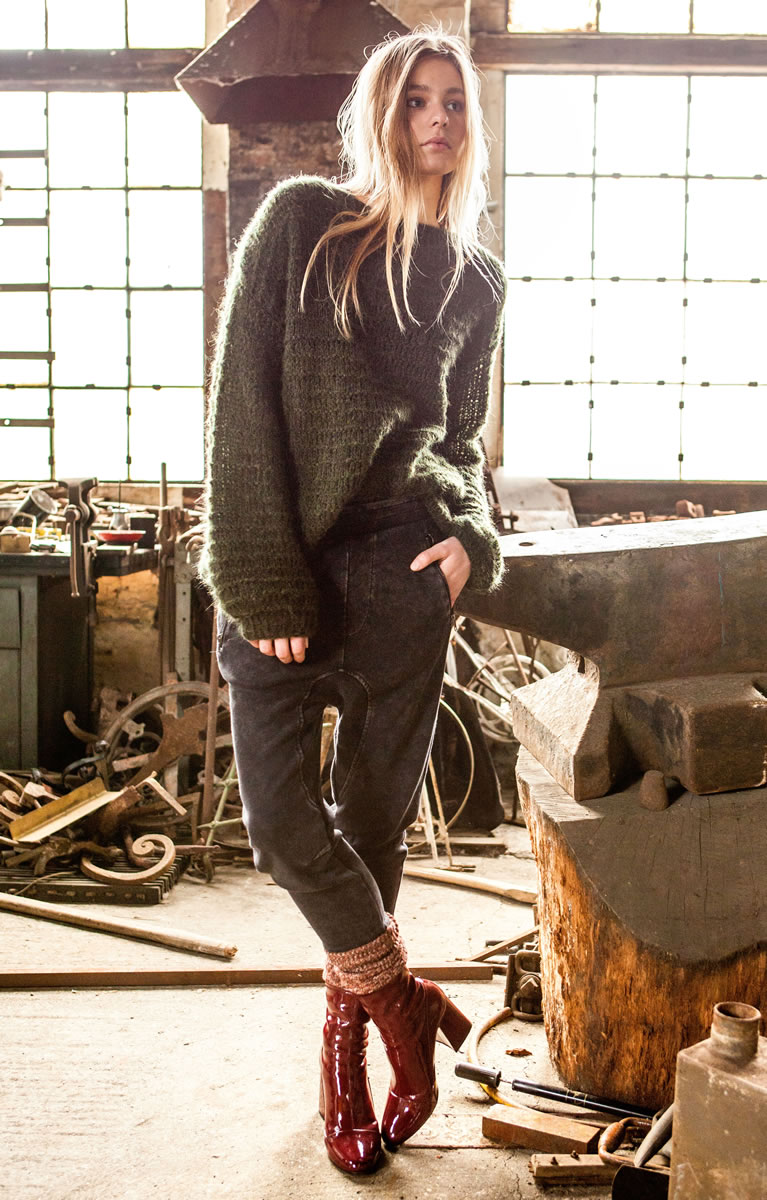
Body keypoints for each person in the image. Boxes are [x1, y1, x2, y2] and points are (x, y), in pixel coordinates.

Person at [200, 26, 507, 1176]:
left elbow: (459, 447)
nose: (436, 119)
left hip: (403, 574)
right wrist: (263, 579)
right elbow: (241, 410)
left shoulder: (475, 280)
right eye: (415, 99)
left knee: (371, 833)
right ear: (378, 115)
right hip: (285, 568)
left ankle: (346, 1066)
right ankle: (404, 1008)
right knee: (284, 828)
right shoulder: (300, 224)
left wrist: (472, 542)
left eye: (453, 102)